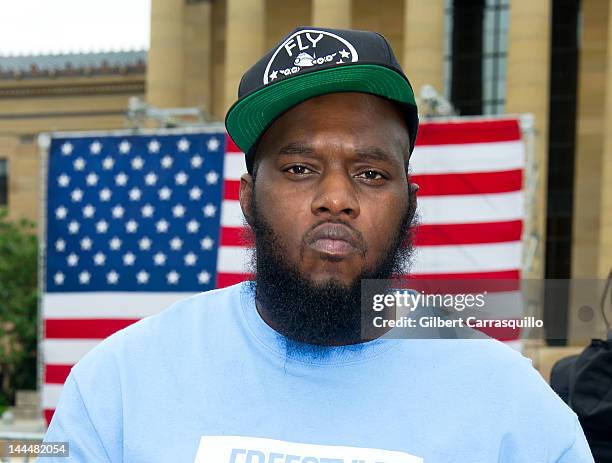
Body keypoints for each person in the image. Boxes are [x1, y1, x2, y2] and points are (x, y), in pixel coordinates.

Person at [44, 27, 594, 462]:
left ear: (412, 203)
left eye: (372, 174)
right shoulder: (118, 383)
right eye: (300, 168)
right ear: (247, 196)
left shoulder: (515, 409)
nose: (336, 198)